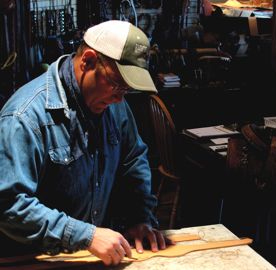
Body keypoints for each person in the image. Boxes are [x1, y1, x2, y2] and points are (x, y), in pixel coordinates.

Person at [0, 20, 167, 265]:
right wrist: (85, 235)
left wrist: (140, 218)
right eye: (117, 84)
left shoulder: (113, 105)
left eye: (127, 89)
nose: (120, 98)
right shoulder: (24, 117)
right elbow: (9, 205)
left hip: (89, 256)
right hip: (32, 259)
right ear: (88, 61)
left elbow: (133, 160)